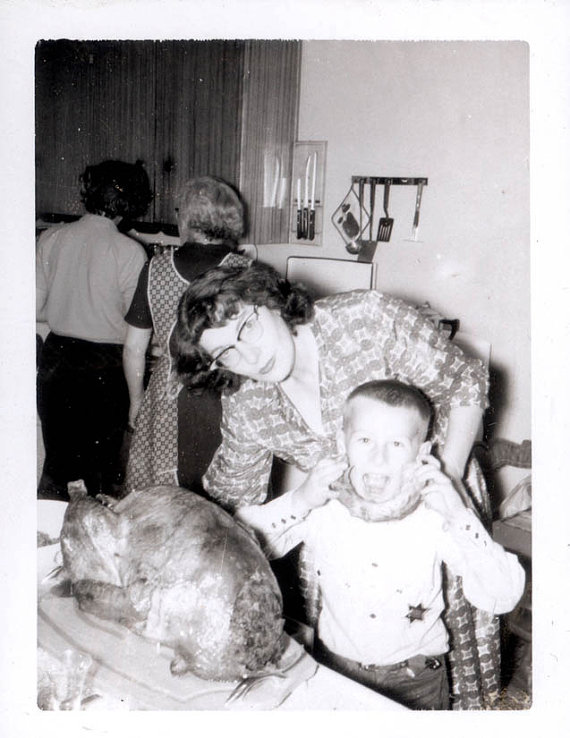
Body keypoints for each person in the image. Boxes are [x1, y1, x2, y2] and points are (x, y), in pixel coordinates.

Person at [172, 260, 501, 709]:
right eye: (226, 353)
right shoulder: (245, 400)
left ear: (268, 301)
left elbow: (465, 383)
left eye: (246, 327)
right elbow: (231, 498)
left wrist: (443, 482)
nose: (249, 357)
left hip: (437, 500)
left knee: (443, 661)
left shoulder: (366, 320)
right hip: (339, 531)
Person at [235, 379, 525, 710]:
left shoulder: (435, 517)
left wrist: (459, 514)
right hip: (335, 668)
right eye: (365, 440)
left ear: (422, 453)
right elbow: (240, 546)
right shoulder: (322, 507)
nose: (378, 457)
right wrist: (299, 500)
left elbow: (503, 594)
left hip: (416, 680)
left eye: (397, 444)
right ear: (342, 445)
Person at [122, 176, 250, 496]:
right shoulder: (247, 270)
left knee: (165, 504)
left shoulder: (156, 269)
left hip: (167, 399)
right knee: (224, 501)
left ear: (186, 219)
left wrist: (136, 401)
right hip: (228, 395)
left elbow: (133, 349)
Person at [36, 160, 153, 499]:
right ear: (128, 203)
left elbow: (34, 306)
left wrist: (71, 303)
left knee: (58, 466)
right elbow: (137, 327)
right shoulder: (131, 252)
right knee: (99, 477)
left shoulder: (51, 238)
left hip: (56, 361)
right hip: (105, 369)